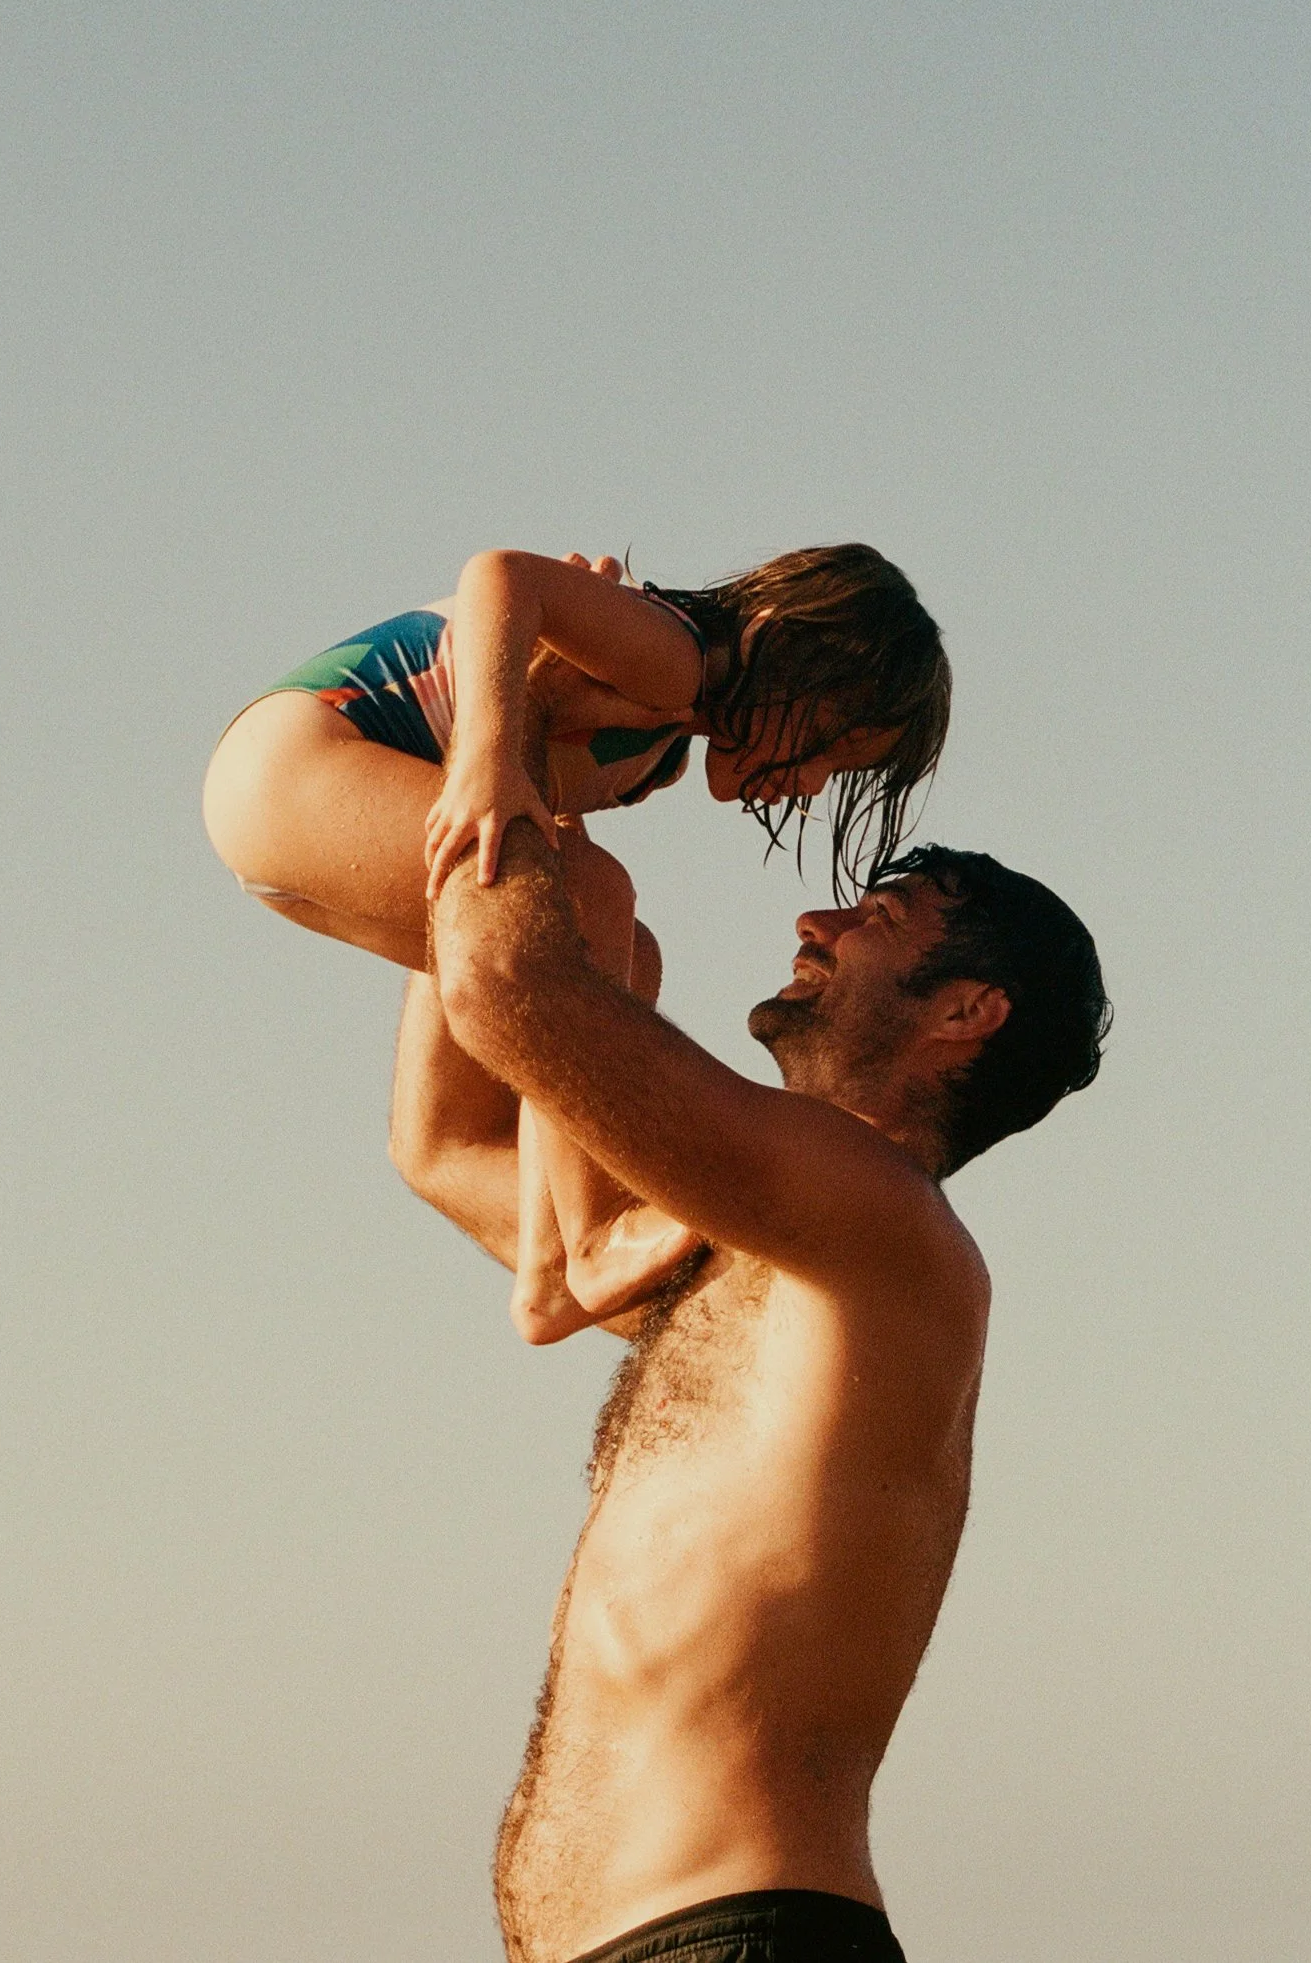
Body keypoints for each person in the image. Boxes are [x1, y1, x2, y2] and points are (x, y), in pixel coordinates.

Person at [399, 828, 1110, 1963]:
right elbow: (448, 1143)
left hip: (740, 1933)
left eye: (878, 918)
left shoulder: (878, 1220)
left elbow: (506, 986)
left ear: (965, 1012)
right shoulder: (736, 1267)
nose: (811, 924)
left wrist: (518, 765)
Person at [203, 544, 950, 1343]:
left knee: (629, 951)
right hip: (297, 762)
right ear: (777, 639)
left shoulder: (657, 754)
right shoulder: (675, 657)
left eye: (838, 774)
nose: (808, 782)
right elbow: (501, 577)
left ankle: (552, 1244)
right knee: (594, 893)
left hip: (302, 832)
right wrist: (487, 761)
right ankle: (579, 1246)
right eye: (825, 742)